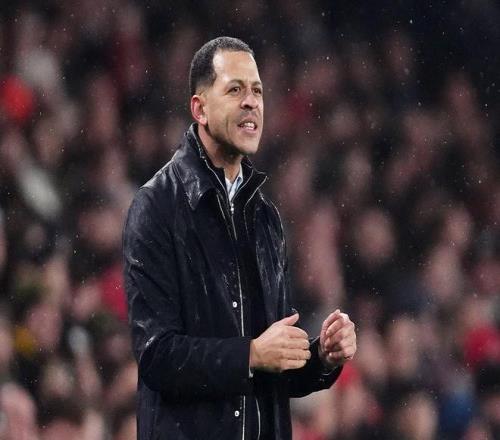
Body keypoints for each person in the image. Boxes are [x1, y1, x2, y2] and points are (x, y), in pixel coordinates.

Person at [123, 36, 357, 440]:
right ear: (200, 109)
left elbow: (274, 371)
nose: (251, 102)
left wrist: (321, 355)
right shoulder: (156, 207)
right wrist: (250, 355)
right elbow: (157, 356)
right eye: (235, 90)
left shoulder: (265, 218)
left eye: (257, 91)